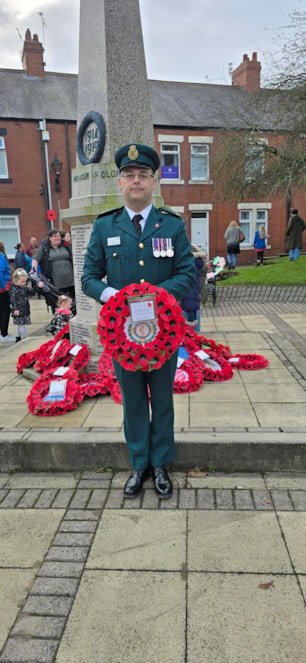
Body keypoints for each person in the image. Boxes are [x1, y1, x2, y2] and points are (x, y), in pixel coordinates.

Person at [82, 142, 195, 500]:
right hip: (122, 335)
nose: (136, 181)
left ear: (153, 182)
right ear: (120, 182)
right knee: (132, 400)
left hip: (162, 334)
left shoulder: (172, 226)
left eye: (143, 175)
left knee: (162, 399)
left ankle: (161, 464)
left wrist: (156, 297)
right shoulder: (104, 226)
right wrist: (117, 299)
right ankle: (138, 464)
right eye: (129, 175)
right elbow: (88, 277)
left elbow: (187, 274)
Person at [31, 229, 74, 311]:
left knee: (71, 302)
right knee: (58, 304)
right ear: (50, 238)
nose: (57, 238)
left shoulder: (66, 246)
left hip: (70, 280)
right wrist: (33, 268)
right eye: (55, 236)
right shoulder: (44, 248)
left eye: (58, 236)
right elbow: (36, 259)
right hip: (55, 282)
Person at [180, 244, 205, 331]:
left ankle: (191, 329)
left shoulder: (187, 263)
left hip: (187, 291)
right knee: (193, 309)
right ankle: (195, 329)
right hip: (195, 290)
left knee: (189, 309)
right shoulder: (198, 263)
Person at [9, 268, 39, 341]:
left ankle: (17, 337)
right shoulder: (14, 289)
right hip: (19, 309)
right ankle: (25, 338)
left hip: (23, 309)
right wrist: (15, 309)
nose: (24, 283)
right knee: (22, 324)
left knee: (20, 324)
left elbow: (31, 292)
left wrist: (36, 286)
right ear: (16, 280)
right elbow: (12, 300)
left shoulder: (23, 288)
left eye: (25, 281)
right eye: (22, 281)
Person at [0, 241, 15, 342]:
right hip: (2, 289)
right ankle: (4, 334)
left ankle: (3, 334)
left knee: (1, 311)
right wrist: (4, 286)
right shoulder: (1, 257)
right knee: (5, 311)